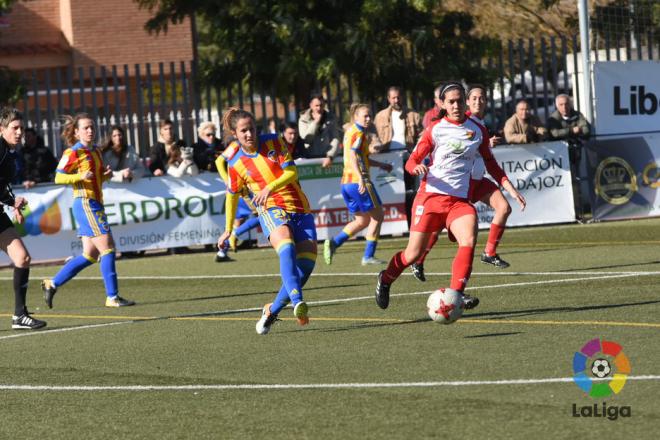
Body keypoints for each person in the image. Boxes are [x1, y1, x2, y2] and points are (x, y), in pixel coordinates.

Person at [374, 83, 524, 311]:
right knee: (413, 254)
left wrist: (510, 189)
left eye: (459, 101)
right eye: (451, 102)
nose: (456, 105)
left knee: (469, 239)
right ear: (443, 104)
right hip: (430, 199)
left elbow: (491, 163)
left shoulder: (477, 130)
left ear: (465, 102)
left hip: (458, 202)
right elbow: (411, 161)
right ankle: (385, 279)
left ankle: (456, 293)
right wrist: (416, 168)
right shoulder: (435, 129)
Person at [410, 84, 527, 281]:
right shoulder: (459, 123)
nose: (478, 101)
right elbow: (429, 149)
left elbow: (491, 163)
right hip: (461, 183)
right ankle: (419, 260)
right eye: (474, 98)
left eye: (482, 98)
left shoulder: (479, 125)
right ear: (467, 102)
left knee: (504, 207)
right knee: (441, 228)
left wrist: (512, 190)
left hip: (478, 179)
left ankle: (489, 253)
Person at [216, 108, 317, 335]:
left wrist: (268, 187)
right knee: (286, 247)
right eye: (244, 131)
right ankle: (297, 300)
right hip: (271, 209)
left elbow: (291, 172)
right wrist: (227, 230)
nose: (249, 134)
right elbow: (231, 196)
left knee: (307, 266)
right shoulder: (235, 164)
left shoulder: (273, 142)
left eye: (252, 128)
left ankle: (271, 310)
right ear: (235, 133)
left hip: (300, 207)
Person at [41, 113, 135, 308]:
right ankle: (112, 296)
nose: (90, 130)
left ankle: (52, 283)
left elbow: (97, 179)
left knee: (90, 255)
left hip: (95, 203)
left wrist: (106, 176)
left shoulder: (97, 152)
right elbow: (58, 177)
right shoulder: (73, 153)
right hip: (85, 203)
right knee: (108, 248)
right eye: (85, 128)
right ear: (76, 133)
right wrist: (79, 176)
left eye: (92, 127)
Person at [324, 104, 393, 266]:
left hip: (346, 183)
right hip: (358, 181)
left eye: (370, 116)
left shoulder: (350, 132)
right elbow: (354, 156)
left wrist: (381, 165)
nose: (368, 119)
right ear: (356, 117)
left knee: (362, 221)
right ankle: (368, 256)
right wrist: (360, 177)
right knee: (378, 217)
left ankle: (334, 243)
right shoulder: (360, 133)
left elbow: (360, 157)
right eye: (365, 116)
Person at [0, 108, 46, 330]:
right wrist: (10, 200)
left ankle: (20, 316)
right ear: (1, 129)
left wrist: (11, 202)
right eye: (14, 128)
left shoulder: (9, 153)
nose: (19, 132)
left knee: (22, 257)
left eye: (21, 128)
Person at [374, 86, 423, 152]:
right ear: (388, 99)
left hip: (408, 154)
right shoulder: (380, 117)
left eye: (398, 97)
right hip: (386, 155)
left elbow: (422, 135)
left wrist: (417, 149)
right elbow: (374, 137)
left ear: (402, 97)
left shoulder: (414, 115)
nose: (396, 100)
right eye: (393, 98)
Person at [298, 93, 341, 167]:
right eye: (316, 106)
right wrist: (315, 122)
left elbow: (335, 139)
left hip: (327, 158)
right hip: (309, 159)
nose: (319, 108)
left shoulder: (331, 118)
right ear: (311, 105)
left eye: (321, 105)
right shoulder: (303, 119)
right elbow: (306, 139)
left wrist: (330, 156)